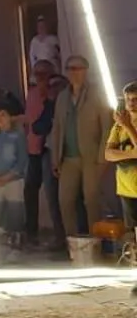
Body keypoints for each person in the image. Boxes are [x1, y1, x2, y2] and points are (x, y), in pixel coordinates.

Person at [51, 55, 110, 242]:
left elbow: (107, 126)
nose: (73, 73)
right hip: (68, 157)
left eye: (78, 68)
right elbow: (57, 128)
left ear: (86, 71)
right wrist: (55, 158)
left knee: (91, 199)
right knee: (65, 200)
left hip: (91, 156)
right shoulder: (62, 97)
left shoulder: (97, 93)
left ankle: (96, 242)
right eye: (70, 69)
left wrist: (103, 157)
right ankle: (73, 243)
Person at [23, 59, 63, 251]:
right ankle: (31, 232)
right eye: (36, 74)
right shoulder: (32, 94)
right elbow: (32, 122)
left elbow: (45, 123)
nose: (39, 78)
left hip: (49, 149)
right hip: (34, 149)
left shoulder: (56, 93)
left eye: (43, 74)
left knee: (53, 193)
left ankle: (60, 236)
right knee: (30, 190)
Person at [0, 106, 26, 248]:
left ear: (10, 117)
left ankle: (16, 239)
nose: (0, 119)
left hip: (13, 179)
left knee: (15, 210)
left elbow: (22, 160)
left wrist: (8, 176)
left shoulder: (18, 136)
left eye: (3, 115)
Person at [106, 84, 137, 254]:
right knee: (132, 230)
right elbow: (108, 154)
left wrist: (129, 127)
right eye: (128, 100)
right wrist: (131, 153)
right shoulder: (117, 127)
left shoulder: (123, 125)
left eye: (135, 100)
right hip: (126, 187)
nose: (131, 104)